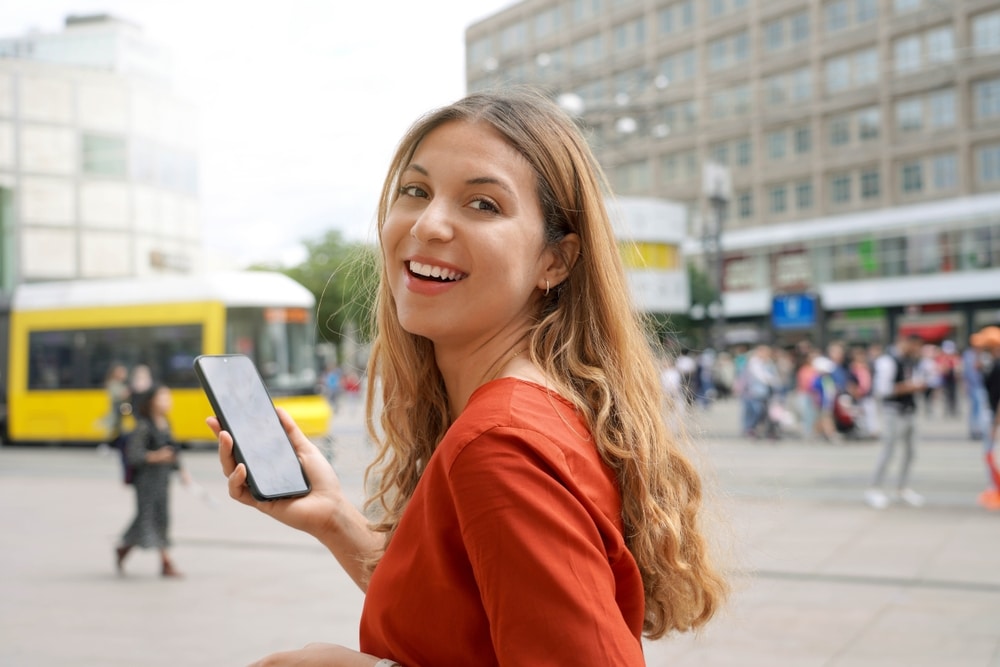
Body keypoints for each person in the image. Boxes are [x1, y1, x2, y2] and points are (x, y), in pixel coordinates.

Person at [208, 89, 727, 666]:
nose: (429, 224)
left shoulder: (500, 443)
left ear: (555, 261)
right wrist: (333, 518)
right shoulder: (530, 413)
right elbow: (462, 621)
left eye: (483, 204)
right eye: (416, 191)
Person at [115, 383, 189, 577]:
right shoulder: (143, 426)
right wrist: (157, 456)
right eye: (162, 397)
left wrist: (181, 470)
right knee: (149, 518)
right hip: (146, 482)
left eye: (168, 397)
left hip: (163, 480)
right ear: (151, 402)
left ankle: (125, 549)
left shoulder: (166, 423)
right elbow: (135, 455)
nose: (167, 401)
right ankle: (166, 562)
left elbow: (173, 450)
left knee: (158, 518)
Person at [865, 333, 926, 509]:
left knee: (910, 452)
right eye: (915, 345)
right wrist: (911, 386)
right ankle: (874, 488)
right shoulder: (888, 361)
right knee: (888, 451)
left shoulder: (910, 361)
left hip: (909, 411)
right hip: (894, 412)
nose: (916, 350)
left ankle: (902, 488)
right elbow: (882, 390)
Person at [972, 327, 1000, 510]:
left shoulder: (998, 365)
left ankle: (996, 488)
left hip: (995, 416)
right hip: (992, 413)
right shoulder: (993, 363)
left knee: (992, 453)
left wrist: (995, 424)